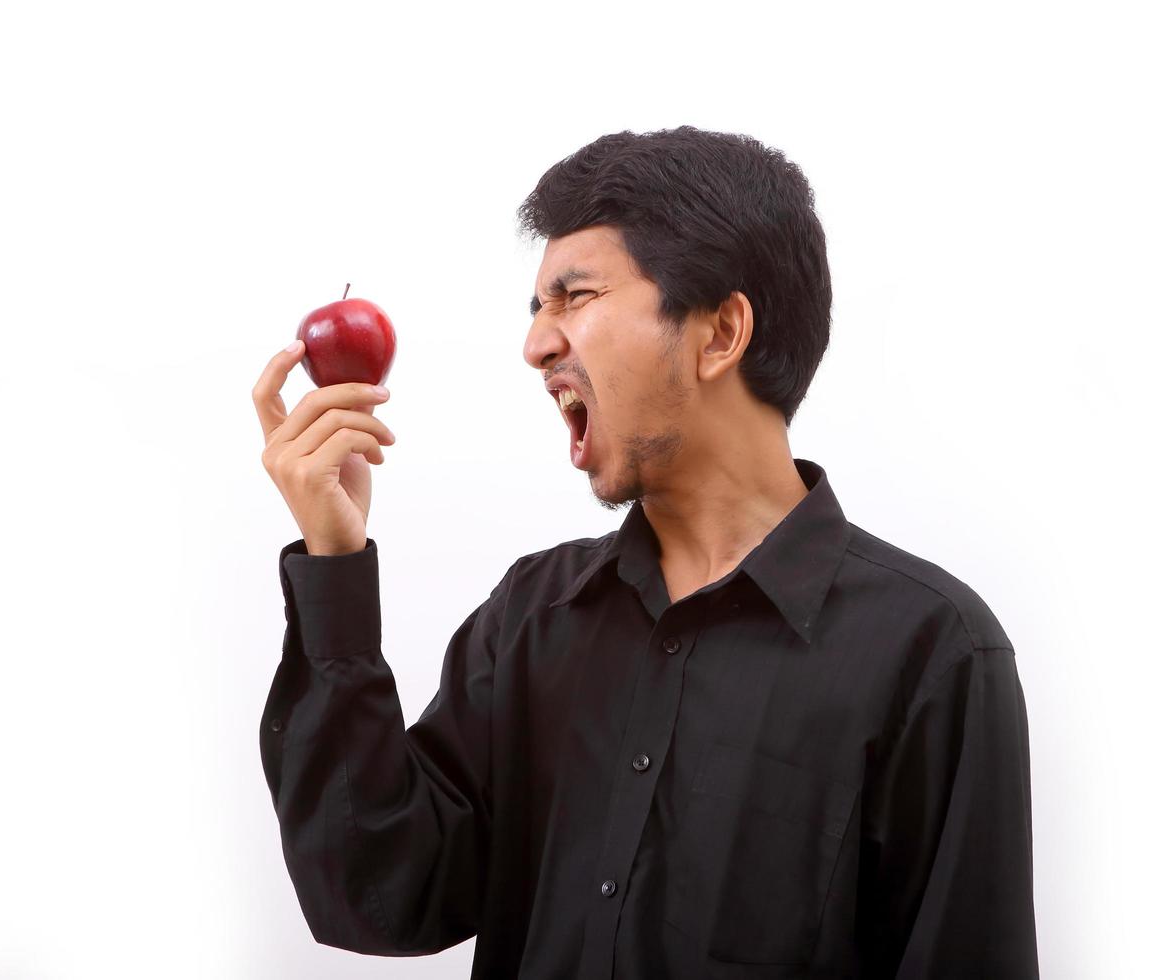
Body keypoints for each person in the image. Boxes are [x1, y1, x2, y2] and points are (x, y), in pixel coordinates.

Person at [250, 125, 1038, 978]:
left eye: (574, 297)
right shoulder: (532, 616)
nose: (536, 345)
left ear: (720, 333)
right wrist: (335, 557)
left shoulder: (931, 651)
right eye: (535, 311)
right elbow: (379, 890)